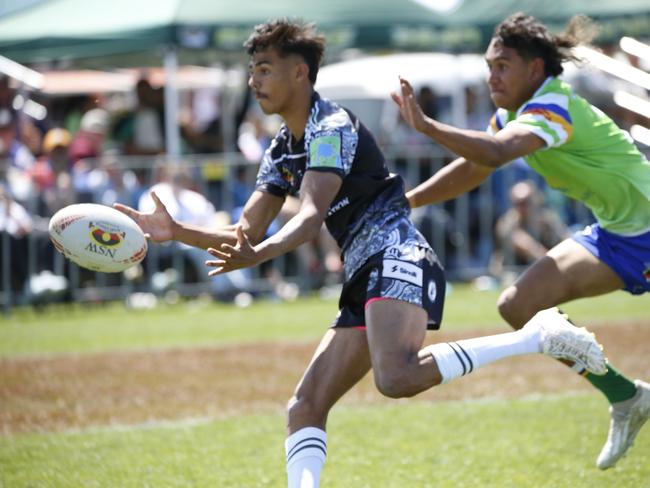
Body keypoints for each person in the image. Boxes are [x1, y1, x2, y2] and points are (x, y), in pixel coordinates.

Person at [115, 19, 607, 487]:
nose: (254, 80)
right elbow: (246, 230)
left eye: (264, 68)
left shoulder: (330, 126)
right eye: (252, 70)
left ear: (299, 72)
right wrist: (176, 230)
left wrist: (259, 253)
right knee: (305, 407)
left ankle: (535, 337)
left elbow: (309, 219)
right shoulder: (283, 147)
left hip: (396, 254)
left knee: (396, 378)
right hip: (364, 271)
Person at [392, 12, 650, 470]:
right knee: (518, 306)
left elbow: (494, 153)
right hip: (615, 236)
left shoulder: (553, 106)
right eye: (489, 66)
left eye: (502, 66)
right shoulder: (513, 113)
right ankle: (626, 398)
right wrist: (407, 201)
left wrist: (428, 127)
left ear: (535, 69)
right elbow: (476, 167)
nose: (491, 76)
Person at [491, 179, 570, 279]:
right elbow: (530, 250)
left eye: (525, 202)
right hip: (513, 273)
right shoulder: (507, 223)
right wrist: (558, 265)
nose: (521, 208)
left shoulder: (547, 218)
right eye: (517, 203)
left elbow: (566, 240)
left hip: (545, 269)